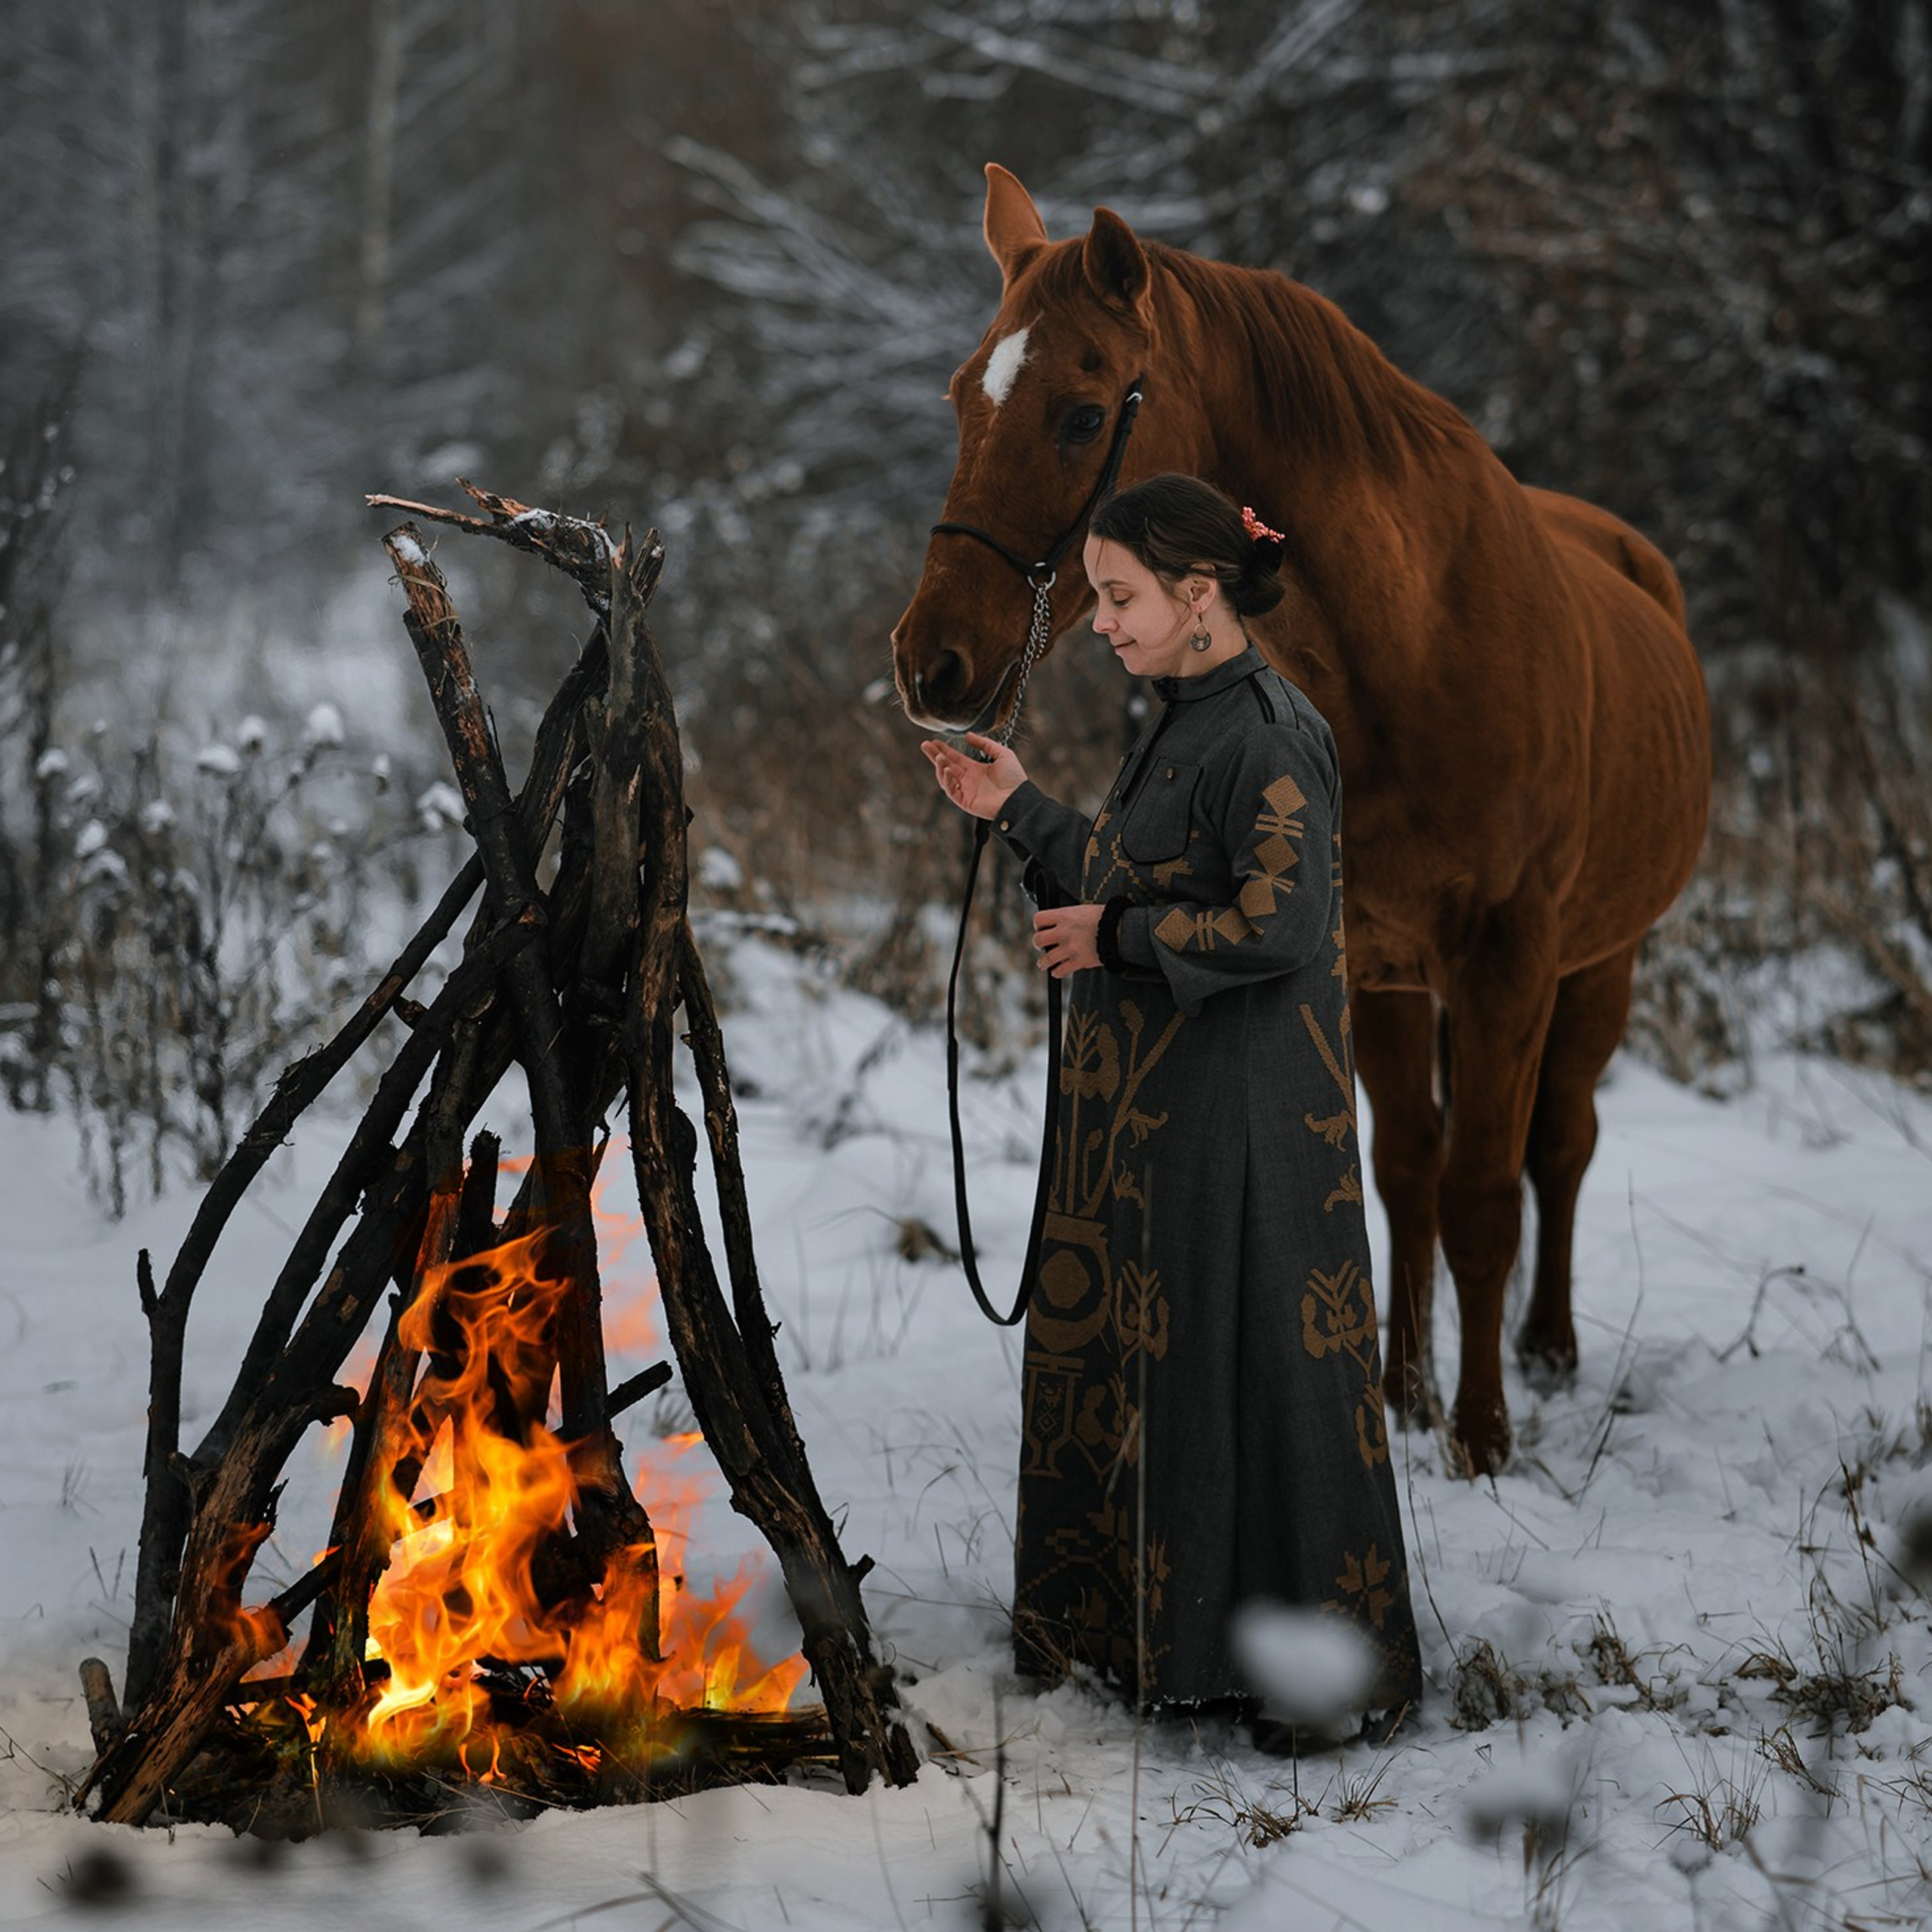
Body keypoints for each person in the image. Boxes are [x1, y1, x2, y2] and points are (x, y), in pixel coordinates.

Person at [921, 472, 1423, 1737]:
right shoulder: (1179, 715)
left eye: (1120, 596)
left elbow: (1283, 921)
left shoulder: (1269, 729)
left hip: (1245, 1123)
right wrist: (1019, 807)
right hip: (1158, 1117)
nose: (1100, 619)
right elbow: (1126, 871)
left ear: (1200, 595)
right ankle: (1159, 1640)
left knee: (1253, 1370)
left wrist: (1122, 939)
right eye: (1098, 595)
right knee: (1172, 1364)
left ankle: (1311, 1682)